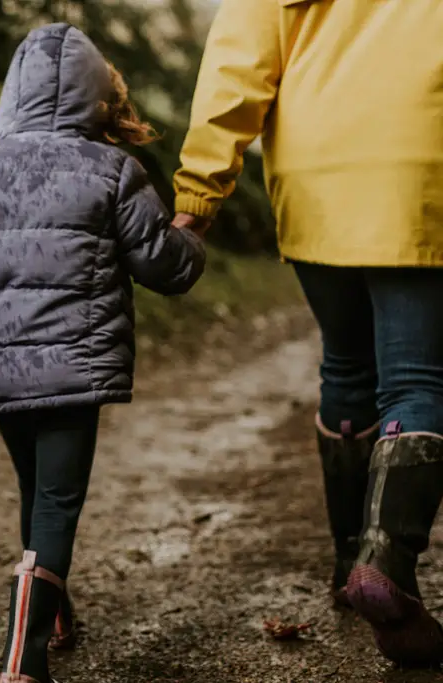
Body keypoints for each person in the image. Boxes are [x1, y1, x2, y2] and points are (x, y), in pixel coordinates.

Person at [0, 23, 206, 683]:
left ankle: (52, 616)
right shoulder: (112, 170)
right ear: (96, 100)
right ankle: (21, 662)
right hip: (74, 371)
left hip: (2, 370)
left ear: (10, 97)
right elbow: (162, 264)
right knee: (57, 498)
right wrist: (189, 237)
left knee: (35, 488)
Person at [173, 0, 443, 667]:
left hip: (316, 173)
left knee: (347, 367)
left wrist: (199, 192)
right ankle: (385, 562)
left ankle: (349, 560)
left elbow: (239, 59)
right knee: (416, 379)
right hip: (419, 161)